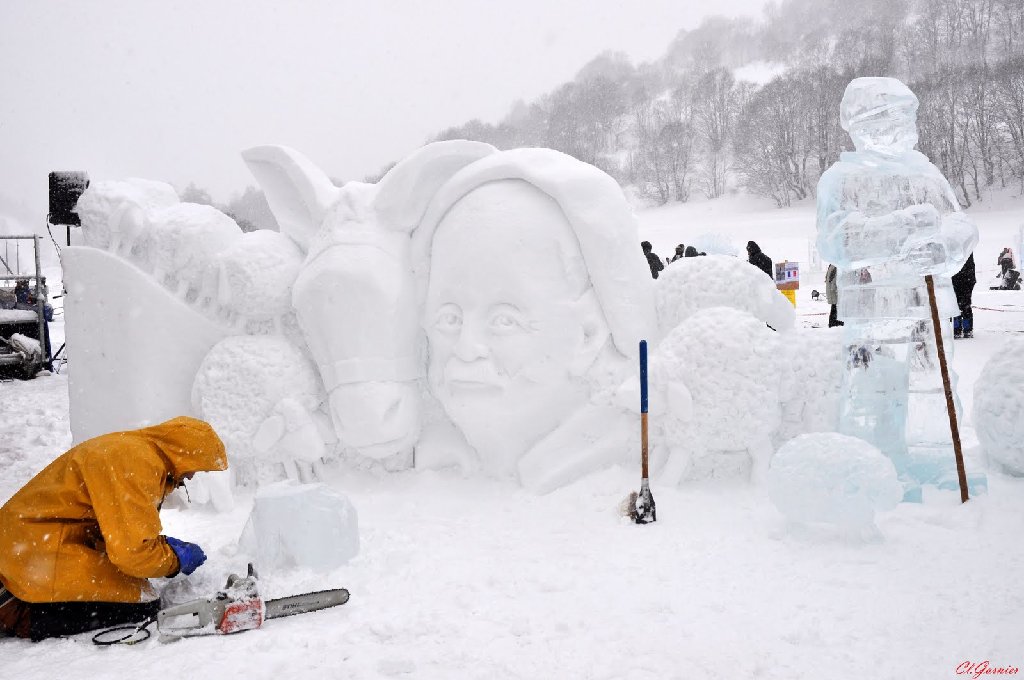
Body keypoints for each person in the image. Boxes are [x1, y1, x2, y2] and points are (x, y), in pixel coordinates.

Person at [0, 416, 227, 641]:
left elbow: (117, 527)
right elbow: (133, 554)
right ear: (183, 454)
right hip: (33, 550)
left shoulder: (134, 450)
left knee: (133, 589)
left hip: (29, 539)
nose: (192, 475)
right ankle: (20, 609)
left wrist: (160, 546)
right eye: (196, 468)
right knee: (141, 603)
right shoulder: (137, 462)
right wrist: (175, 560)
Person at [952, 253, 976, 338]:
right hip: (961, 278)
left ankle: (964, 329)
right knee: (959, 305)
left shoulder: (964, 249)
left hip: (963, 279)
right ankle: (961, 329)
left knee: (962, 306)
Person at [825, 263, 844, 327]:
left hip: (831, 290)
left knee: (834, 307)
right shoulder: (836, 266)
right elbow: (834, 280)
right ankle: (833, 323)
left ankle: (833, 322)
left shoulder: (832, 265)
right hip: (833, 291)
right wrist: (837, 290)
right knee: (835, 307)